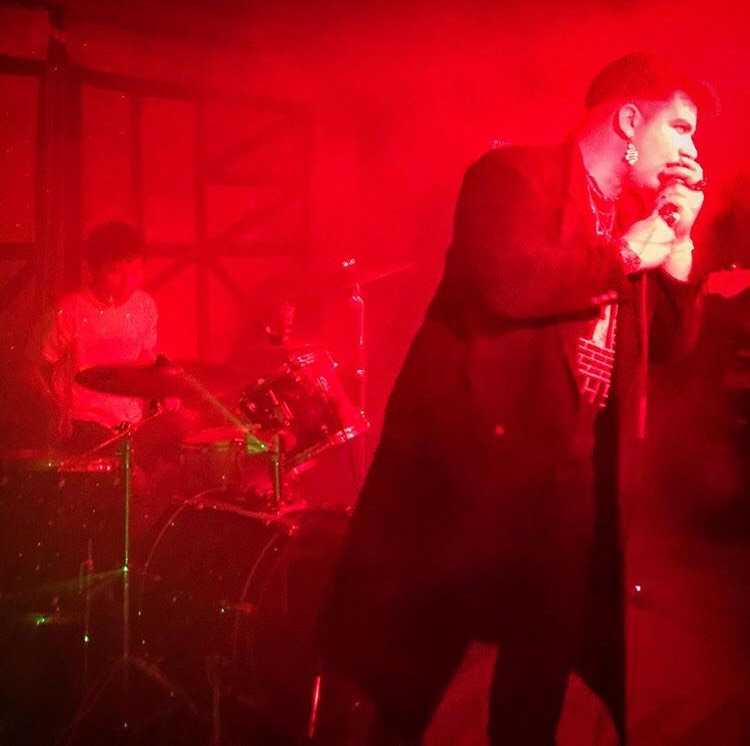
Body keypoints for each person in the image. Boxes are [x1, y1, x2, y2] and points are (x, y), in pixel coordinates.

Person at [316, 53, 714, 745]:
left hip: (567, 487)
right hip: (473, 481)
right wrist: (624, 254)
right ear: (629, 120)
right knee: (409, 681)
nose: (691, 152)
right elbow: (507, 281)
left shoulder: (633, 219)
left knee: (538, 679)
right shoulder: (511, 177)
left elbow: (670, 352)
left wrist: (678, 244)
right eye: (680, 128)